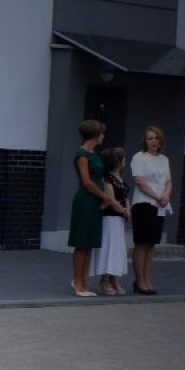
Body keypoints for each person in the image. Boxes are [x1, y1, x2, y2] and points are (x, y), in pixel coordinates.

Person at [69, 119, 116, 297]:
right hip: (85, 200)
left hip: (96, 201)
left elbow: (101, 178)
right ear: (95, 135)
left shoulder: (95, 154)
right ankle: (78, 282)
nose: (103, 136)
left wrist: (104, 197)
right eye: (101, 133)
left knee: (89, 243)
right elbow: (86, 182)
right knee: (82, 243)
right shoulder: (82, 154)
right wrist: (104, 196)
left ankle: (83, 281)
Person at [129, 125, 172, 295]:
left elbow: (169, 181)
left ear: (160, 140)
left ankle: (147, 279)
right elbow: (139, 181)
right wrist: (157, 196)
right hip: (144, 204)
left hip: (160, 206)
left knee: (152, 244)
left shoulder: (164, 160)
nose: (153, 141)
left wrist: (166, 196)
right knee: (141, 243)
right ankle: (139, 281)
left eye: (155, 138)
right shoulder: (139, 157)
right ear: (145, 142)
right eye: (149, 138)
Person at [92, 146, 132, 296]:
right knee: (109, 248)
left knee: (117, 250)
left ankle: (114, 278)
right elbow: (110, 198)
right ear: (118, 161)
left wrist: (128, 208)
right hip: (110, 218)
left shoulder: (120, 178)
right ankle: (104, 279)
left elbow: (125, 196)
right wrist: (122, 209)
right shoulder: (108, 178)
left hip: (119, 220)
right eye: (123, 158)